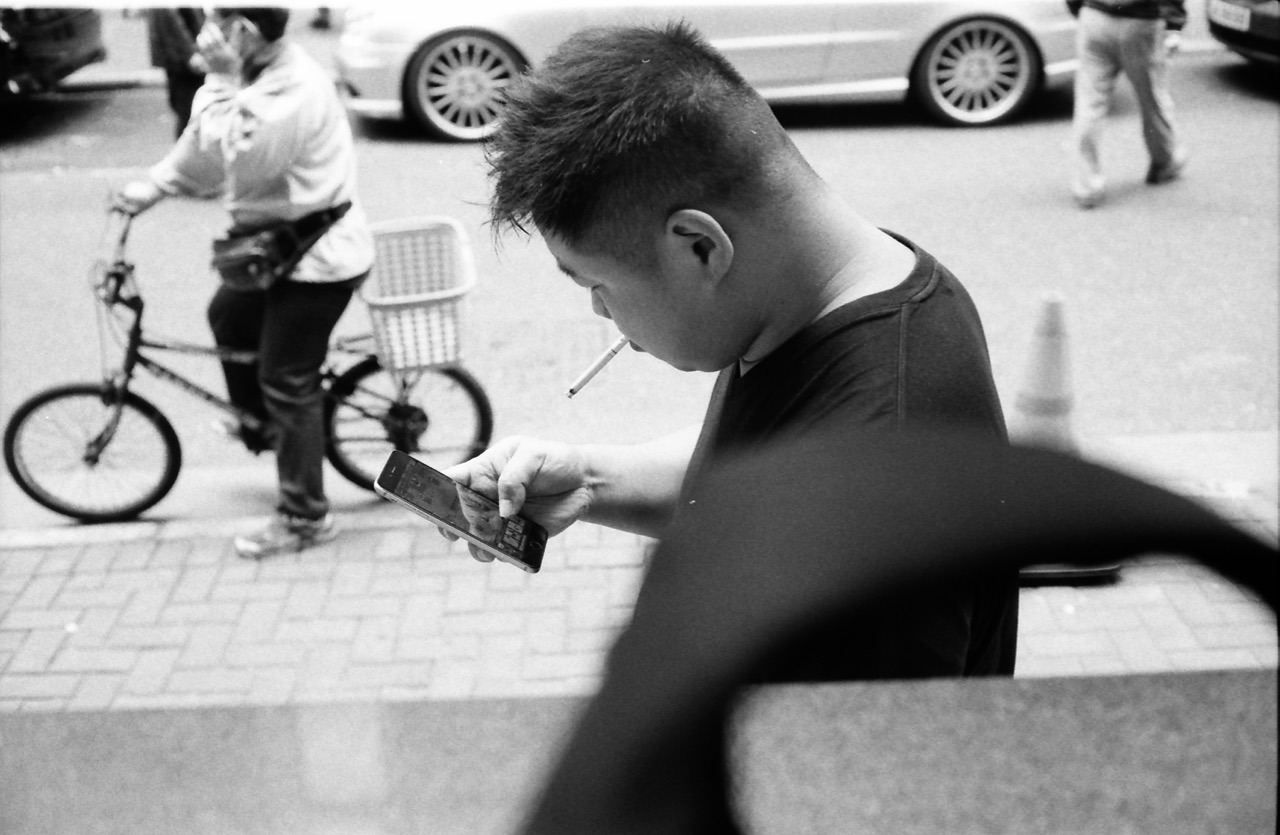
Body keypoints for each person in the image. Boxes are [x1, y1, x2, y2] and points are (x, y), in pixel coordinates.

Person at [445, 22, 1019, 681]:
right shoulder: (843, 290)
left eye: (597, 283)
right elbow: (774, 454)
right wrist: (589, 479)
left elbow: (868, 773)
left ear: (700, 247)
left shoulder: (869, 506)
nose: (599, 311)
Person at [113, 8, 375, 560]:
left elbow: (240, 160)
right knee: (227, 318)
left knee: (287, 379)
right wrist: (153, 187)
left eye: (215, 19)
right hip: (272, 248)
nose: (204, 32)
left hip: (316, 258)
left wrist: (220, 80)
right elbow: (203, 147)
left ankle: (306, 516)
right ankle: (266, 427)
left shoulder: (294, 90)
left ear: (244, 34)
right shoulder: (253, 75)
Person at [1067, 0, 1189, 209]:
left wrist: (1081, 8)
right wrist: (1173, 25)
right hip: (1141, 20)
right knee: (1152, 98)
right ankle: (1164, 162)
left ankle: (1086, 186)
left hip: (1095, 15)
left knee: (1090, 103)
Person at [146, 8, 206, 138]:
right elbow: (167, 16)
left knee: (193, 114)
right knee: (190, 115)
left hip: (188, 55)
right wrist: (189, 53)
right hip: (185, 59)